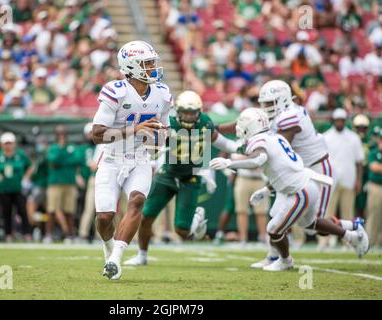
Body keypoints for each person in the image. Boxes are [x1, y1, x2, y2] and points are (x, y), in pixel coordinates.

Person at [209, 108, 369, 271]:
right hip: (306, 186)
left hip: (299, 192)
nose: (238, 127)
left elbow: (258, 158)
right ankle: (352, 234)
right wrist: (266, 190)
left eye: (242, 123)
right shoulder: (275, 137)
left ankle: (285, 260)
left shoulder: (260, 141)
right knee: (310, 224)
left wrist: (230, 164)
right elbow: (284, 170)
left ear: (252, 125)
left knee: (274, 228)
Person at [124, 90, 238, 266]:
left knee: (182, 231)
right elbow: (152, 144)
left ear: (199, 112)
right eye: (185, 112)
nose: (188, 116)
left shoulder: (205, 123)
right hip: (168, 174)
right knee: (146, 216)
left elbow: (221, 142)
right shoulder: (168, 123)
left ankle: (196, 219)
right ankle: (142, 255)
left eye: (192, 113)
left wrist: (240, 148)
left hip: (190, 178)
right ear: (177, 110)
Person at [92, 40, 172, 280]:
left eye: (152, 63)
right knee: (104, 217)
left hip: (140, 158)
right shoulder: (115, 91)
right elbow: (97, 135)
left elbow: (163, 134)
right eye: (147, 63)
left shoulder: (163, 93)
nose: (152, 67)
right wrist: (136, 129)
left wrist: (159, 140)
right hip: (113, 159)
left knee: (137, 201)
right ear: (132, 66)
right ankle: (108, 247)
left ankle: (116, 258)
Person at [323, 109, 364, 245]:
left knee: (348, 213)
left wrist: (358, 180)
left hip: (349, 179)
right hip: (330, 181)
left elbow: (359, 162)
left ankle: (349, 242)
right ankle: (325, 241)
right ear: (333, 121)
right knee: (328, 213)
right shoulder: (326, 136)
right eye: (337, 120)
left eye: (341, 120)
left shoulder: (354, 137)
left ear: (345, 121)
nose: (339, 122)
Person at [0, 132, 33, 242]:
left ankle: (27, 234)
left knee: (22, 211)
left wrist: (25, 178)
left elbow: (30, 166)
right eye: (6, 143)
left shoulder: (20, 155)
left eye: (10, 143)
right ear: (1, 144)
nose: (8, 146)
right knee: (6, 212)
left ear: (14, 144)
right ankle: (8, 234)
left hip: (18, 188)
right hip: (4, 188)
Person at [44, 125, 80, 243]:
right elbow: (53, 161)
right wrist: (61, 151)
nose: (61, 136)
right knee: (52, 209)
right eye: (59, 133)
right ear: (55, 135)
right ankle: (48, 235)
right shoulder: (53, 147)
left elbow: (76, 160)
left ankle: (70, 235)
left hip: (70, 182)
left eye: (63, 133)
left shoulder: (71, 147)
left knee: (69, 210)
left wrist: (62, 161)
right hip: (55, 183)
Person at [366, 131, 382, 247]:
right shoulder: (374, 152)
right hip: (376, 186)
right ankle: (369, 241)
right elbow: (374, 167)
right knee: (373, 214)